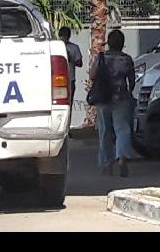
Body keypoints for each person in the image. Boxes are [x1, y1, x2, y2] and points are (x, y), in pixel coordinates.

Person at [90, 29, 136, 177]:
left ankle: (106, 164)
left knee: (105, 132)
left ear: (108, 42)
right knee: (122, 129)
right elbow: (132, 81)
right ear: (122, 44)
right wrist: (128, 93)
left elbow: (92, 75)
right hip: (121, 98)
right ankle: (122, 158)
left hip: (103, 99)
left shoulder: (102, 58)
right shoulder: (127, 59)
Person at [58, 27, 83, 102]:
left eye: (65, 36)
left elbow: (80, 63)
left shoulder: (74, 47)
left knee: (69, 102)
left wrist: (70, 59)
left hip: (70, 79)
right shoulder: (55, 46)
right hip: (58, 79)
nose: (64, 39)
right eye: (62, 36)